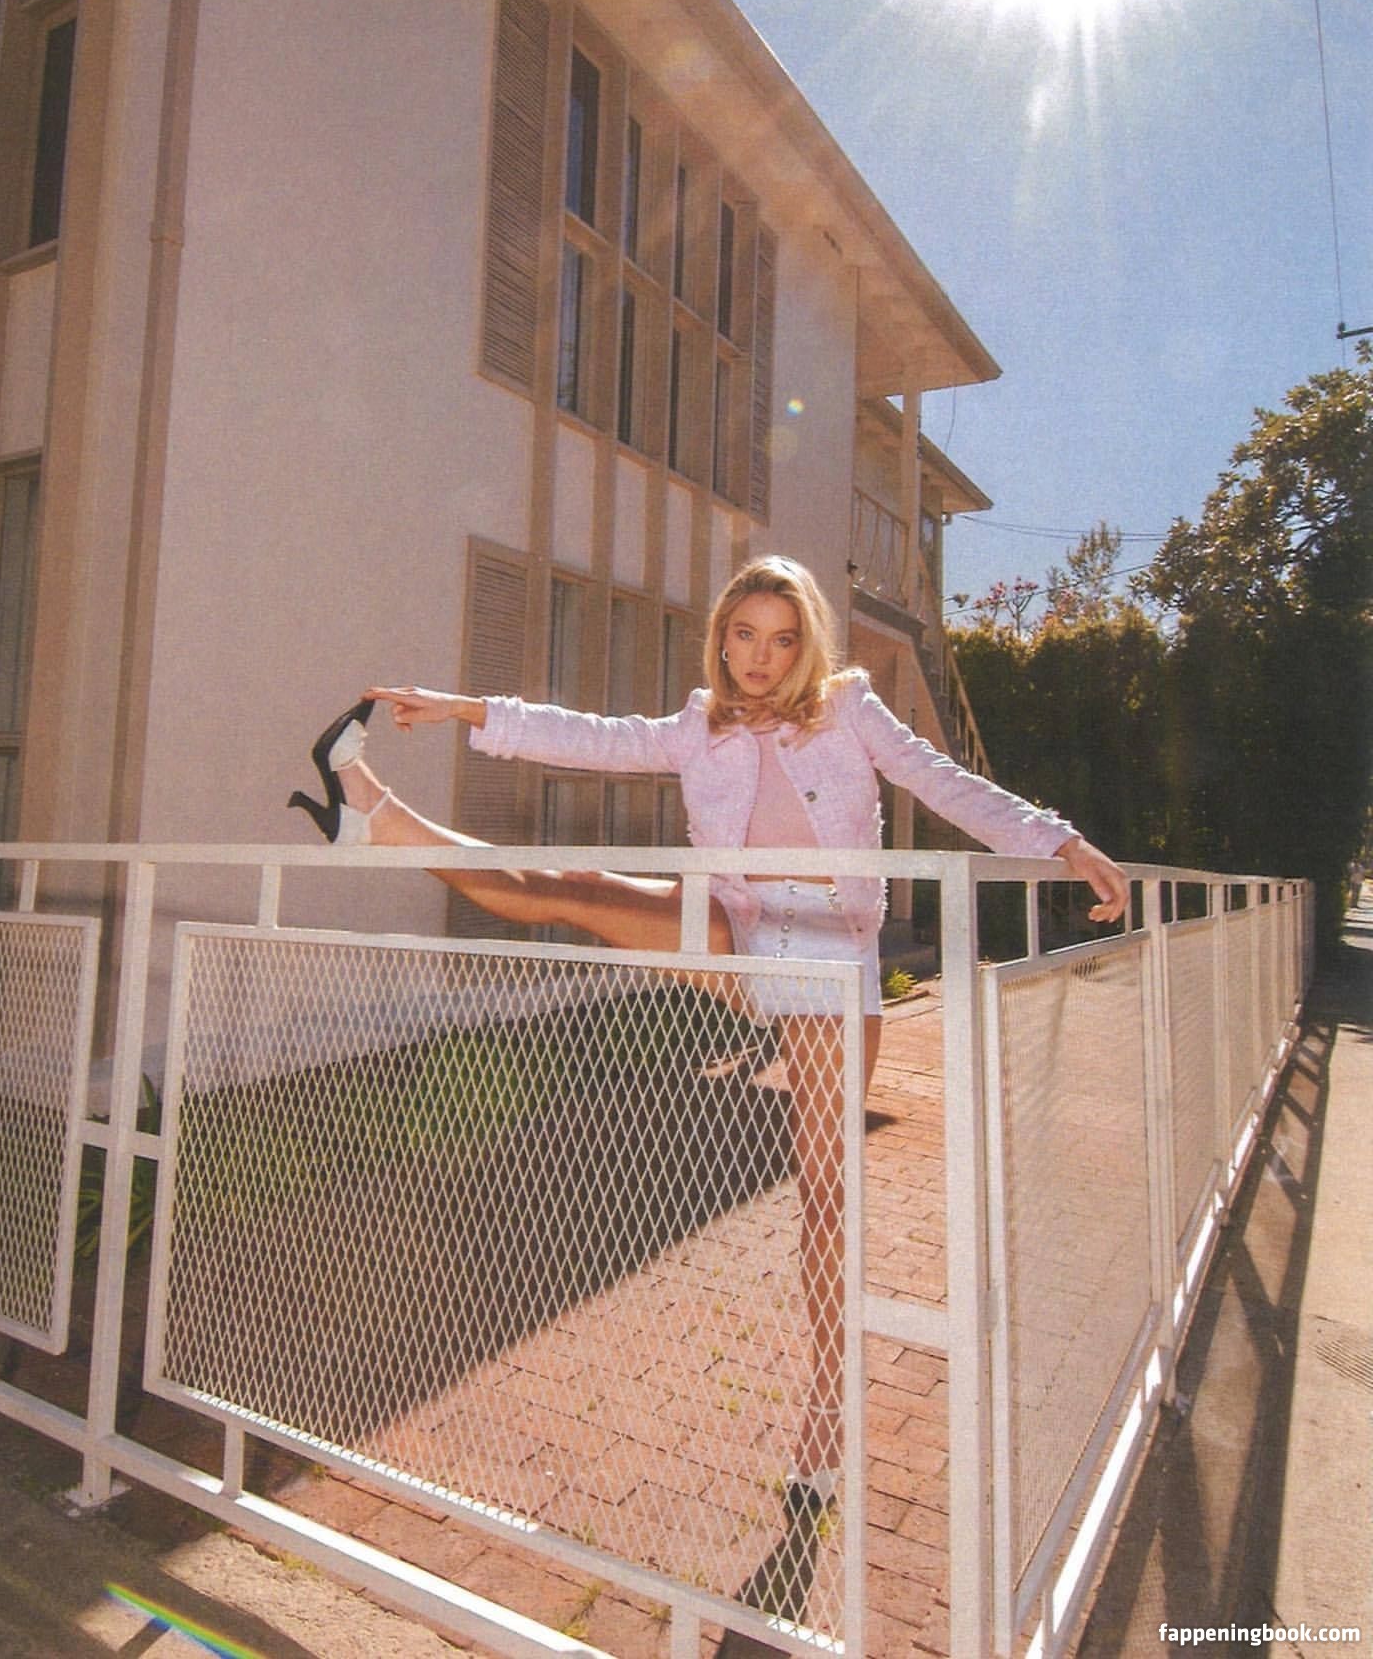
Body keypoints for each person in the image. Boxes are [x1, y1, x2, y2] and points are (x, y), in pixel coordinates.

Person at [289, 554, 1129, 1534]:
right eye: (744, 636)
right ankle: (374, 814)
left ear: (807, 645)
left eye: (782, 639)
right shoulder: (700, 726)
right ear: (721, 640)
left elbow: (948, 786)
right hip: (740, 932)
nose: (761, 658)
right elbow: (590, 737)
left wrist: (1059, 840)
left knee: (826, 1203)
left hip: (832, 962)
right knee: (577, 889)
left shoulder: (850, 710)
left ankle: (825, 1411)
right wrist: (465, 708)